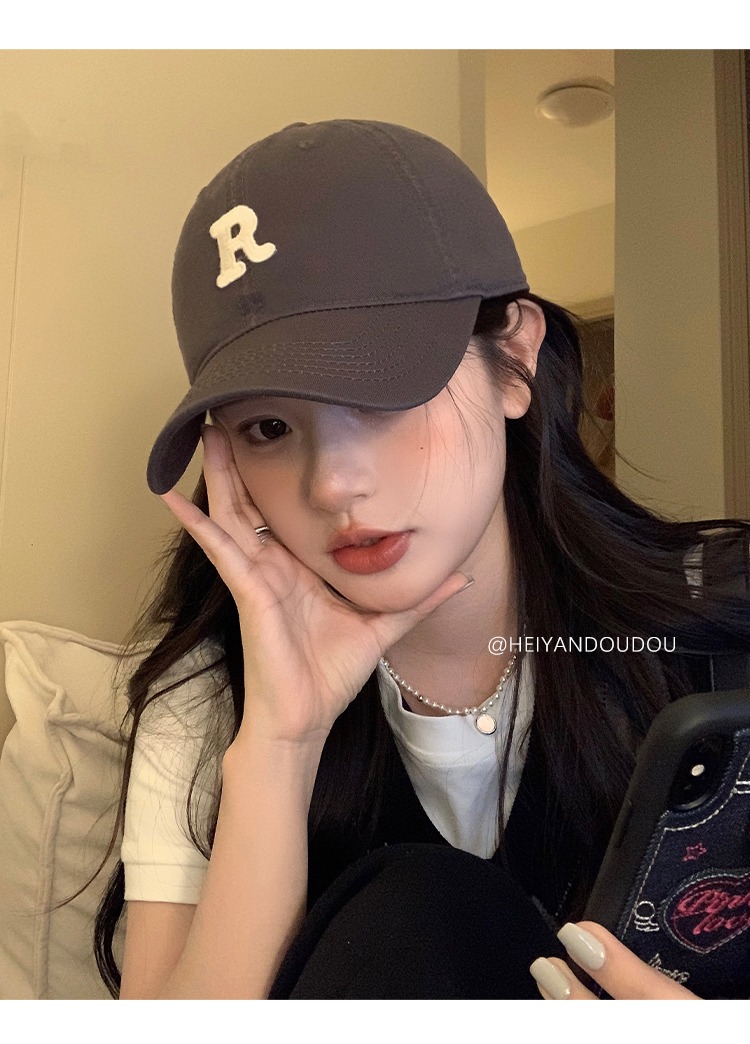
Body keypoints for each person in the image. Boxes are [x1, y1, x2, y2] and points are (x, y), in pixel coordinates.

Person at [92, 119, 749, 1000]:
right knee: (418, 907)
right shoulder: (213, 698)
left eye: (383, 391)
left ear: (513, 359)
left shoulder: (721, 618)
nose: (333, 485)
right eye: (269, 428)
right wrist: (281, 744)